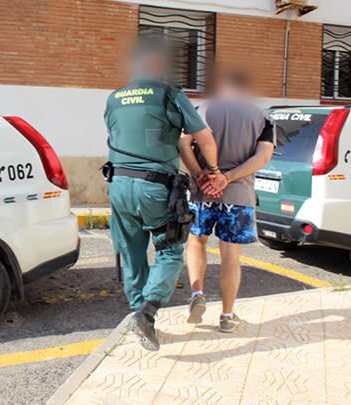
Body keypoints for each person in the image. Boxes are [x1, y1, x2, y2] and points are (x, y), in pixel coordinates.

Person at [104, 41, 220, 351]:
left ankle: (137, 312)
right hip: (154, 187)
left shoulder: (114, 98)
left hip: (117, 184)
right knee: (169, 249)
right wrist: (212, 169)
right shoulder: (169, 94)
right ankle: (148, 313)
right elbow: (203, 137)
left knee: (131, 250)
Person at [178, 69, 275, 333]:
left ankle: (197, 294)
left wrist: (200, 175)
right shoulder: (262, 116)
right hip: (239, 195)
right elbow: (263, 157)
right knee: (230, 254)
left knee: (197, 242)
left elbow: (183, 144)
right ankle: (227, 314)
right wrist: (228, 177)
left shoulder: (202, 108)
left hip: (202, 193)